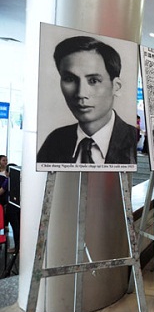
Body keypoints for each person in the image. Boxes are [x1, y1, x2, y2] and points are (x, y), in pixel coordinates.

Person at [37, 36, 137, 165]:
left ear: (116, 87)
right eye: (69, 79)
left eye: (93, 80)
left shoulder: (132, 140)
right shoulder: (55, 141)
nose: (81, 94)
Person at [2, 163, 19, 253]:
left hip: (11, 206)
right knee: (19, 227)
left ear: (8, 172)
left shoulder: (8, 180)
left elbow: (1, 191)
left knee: (15, 227)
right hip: (19, 207)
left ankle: (16, 248)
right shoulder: (20, 180)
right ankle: (19, 247)